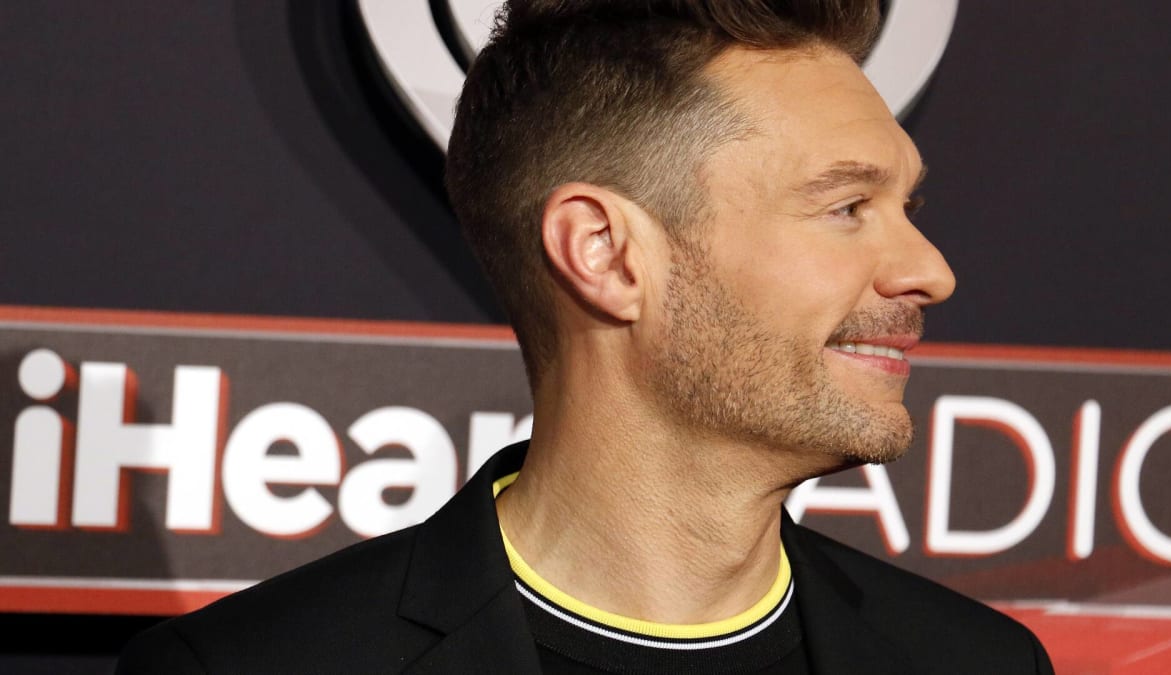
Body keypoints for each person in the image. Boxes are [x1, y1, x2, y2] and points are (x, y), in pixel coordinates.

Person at [119, 1, 1055, 673]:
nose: (931, 270)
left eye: (907, 207)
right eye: (847, 206)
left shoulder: (977, 661)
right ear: (604, 251)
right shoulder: (256, 664)